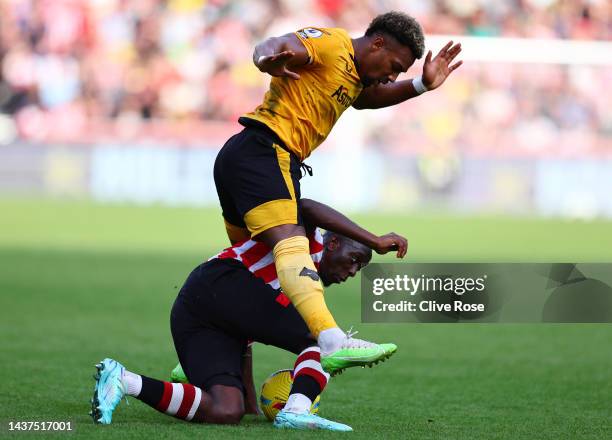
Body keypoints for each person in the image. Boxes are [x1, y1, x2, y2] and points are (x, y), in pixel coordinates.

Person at [213, 11, 462, 364]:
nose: (392, 75)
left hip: (245, 156)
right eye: (393, 65)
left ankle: (215, 363)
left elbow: (364, 99)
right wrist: (265, 59)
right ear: (376, 43)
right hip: (267, 152)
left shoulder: (356, 75)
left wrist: (419, 86)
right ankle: (331, 339)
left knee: (252, 273)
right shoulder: (331, 44)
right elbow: (275, 44)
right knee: (290, 247)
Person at [91, 199, 394, 431]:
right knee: (322, 338)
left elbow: (245, 334)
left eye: (360, 268)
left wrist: (250, 404)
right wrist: (375, 240)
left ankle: (122, 380)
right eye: (354, 259)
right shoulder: (304, 238)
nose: (353, 271)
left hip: (196, 310)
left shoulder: (303, 287)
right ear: (333, 242)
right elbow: (305, 206)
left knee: (226, 411)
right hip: (222, 281)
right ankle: (297, 409)